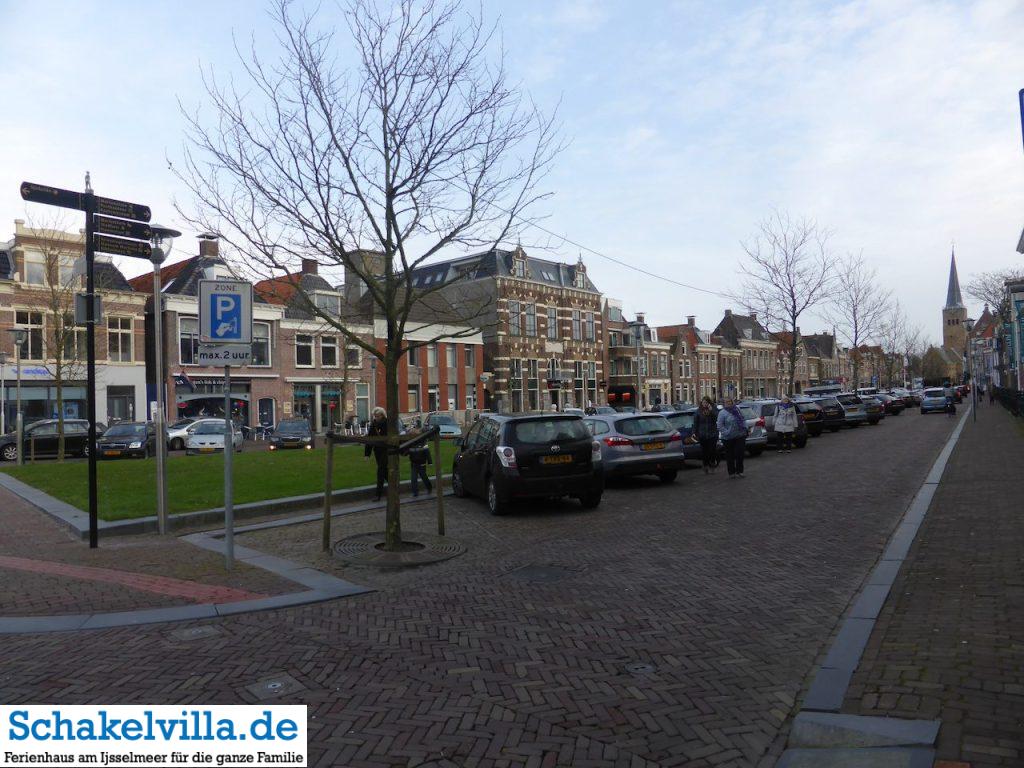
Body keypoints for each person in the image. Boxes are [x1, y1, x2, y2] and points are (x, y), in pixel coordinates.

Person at [717, 396, 748, 478]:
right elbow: (720, 425)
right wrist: (726, 432)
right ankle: (731, 472)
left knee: (740, 454)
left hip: (740, 435)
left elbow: (743, 419)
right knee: (730, 455)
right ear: (724, 403)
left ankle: (740, 471)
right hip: (728, 438)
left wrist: (745, 427)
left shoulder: (737, 409)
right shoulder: (722, 413)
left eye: (730, 401)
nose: (728, 403)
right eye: (726, 402)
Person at [364, 407, 389, 501]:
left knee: (381, 471)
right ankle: (395, 487)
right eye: (374, 416)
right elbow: (370, 439)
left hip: (387, 450)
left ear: (382, 415)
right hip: (378, 451)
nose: (375, 418)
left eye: (377, 416)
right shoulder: (373, 425)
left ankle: (378, 495)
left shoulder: (387, 424)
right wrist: (367, 454)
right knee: (384, 472)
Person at [403, 428, 433, 497]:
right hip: (414, 464)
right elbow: (406, 452)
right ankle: (415, 492)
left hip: (422, 464)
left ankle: (429, 487)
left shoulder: (423, 443)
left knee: (424, 477)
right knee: (413, 478)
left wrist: (430, 462)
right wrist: (404, 453)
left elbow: (427, 453)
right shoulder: (410, 444)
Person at [692, 396, 719, 474]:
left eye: (706, 403)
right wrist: (694, 432)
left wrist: (712, 411)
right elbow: (695, 423)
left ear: (709, 403)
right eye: (703, 402)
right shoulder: (698, 411)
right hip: (702, 434)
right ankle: (705, 465)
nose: (705, 404)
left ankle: (712, 465)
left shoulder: (713, 409)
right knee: (704, 452)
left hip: (712, 434)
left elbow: (717, 418)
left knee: (712, 451)